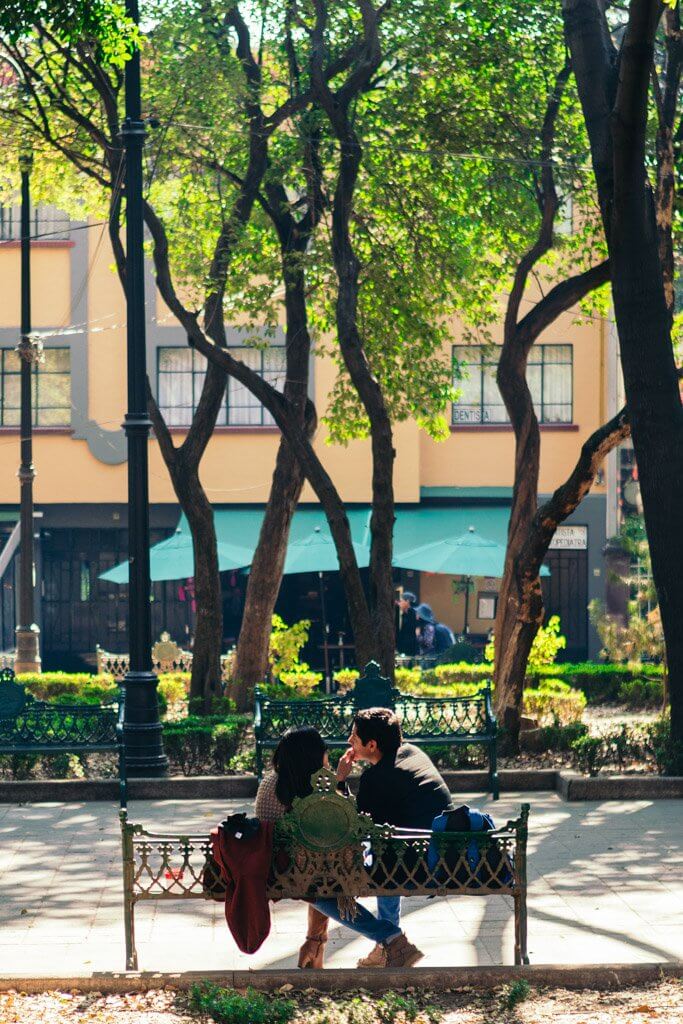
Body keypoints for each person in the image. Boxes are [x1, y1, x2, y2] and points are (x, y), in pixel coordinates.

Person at [313, 707, 452, 969]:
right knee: (385, 854)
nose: (349, 742)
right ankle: (387, 950)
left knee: (318, 894)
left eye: (354, 737)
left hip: (418, 867)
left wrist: (340, 781)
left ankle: (389, 938)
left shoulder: (376, 777)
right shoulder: (412, 753)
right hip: (441, 855)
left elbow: (351, 826)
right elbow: (372, 822)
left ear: (372, 744)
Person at [254, 726, 331, 969]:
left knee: (323, 870)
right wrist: (336, 781)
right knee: (332, 874)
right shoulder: (312, 788)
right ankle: (314, 943)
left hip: (270, 866)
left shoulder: (270, 782)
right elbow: (333, 828)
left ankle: (314, 948)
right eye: (324, 752)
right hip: (298, 871)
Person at [395, 589, 418, 657]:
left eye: (401, 601)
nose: (399, 603)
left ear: (407, 601)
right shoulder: (404, 614)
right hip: (404, 648)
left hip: (410, 648)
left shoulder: (413, 614)